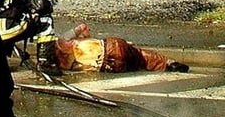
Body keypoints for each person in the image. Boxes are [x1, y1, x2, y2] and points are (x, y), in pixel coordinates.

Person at [52, 23, 190, 73]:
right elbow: (83, 27)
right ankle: (168, 64)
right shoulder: (62, 40)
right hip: (110, 47)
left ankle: (166, 65)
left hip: (109, 66)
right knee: (141, 56)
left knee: (138, 65)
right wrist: (86, 37)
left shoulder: (62, 66)